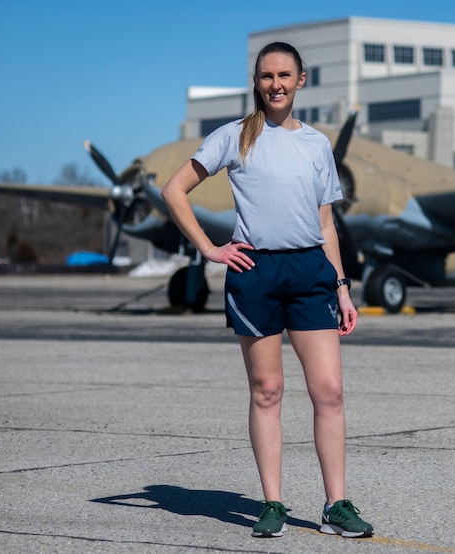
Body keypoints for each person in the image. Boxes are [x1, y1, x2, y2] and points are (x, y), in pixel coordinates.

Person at [160, 41, 373, 539]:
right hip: (255, 272)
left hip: (310, 273)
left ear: (301, 80)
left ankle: (335, 504)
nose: (275, 83)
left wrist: (342, 287)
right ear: (256, 83)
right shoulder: (233, 137)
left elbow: (326, 224)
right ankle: (273, 503)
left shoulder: (317, 144)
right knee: (268, 391)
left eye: (284, 75)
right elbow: (174, 190)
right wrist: (210, 248)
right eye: (266, 76)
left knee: (330, 392)